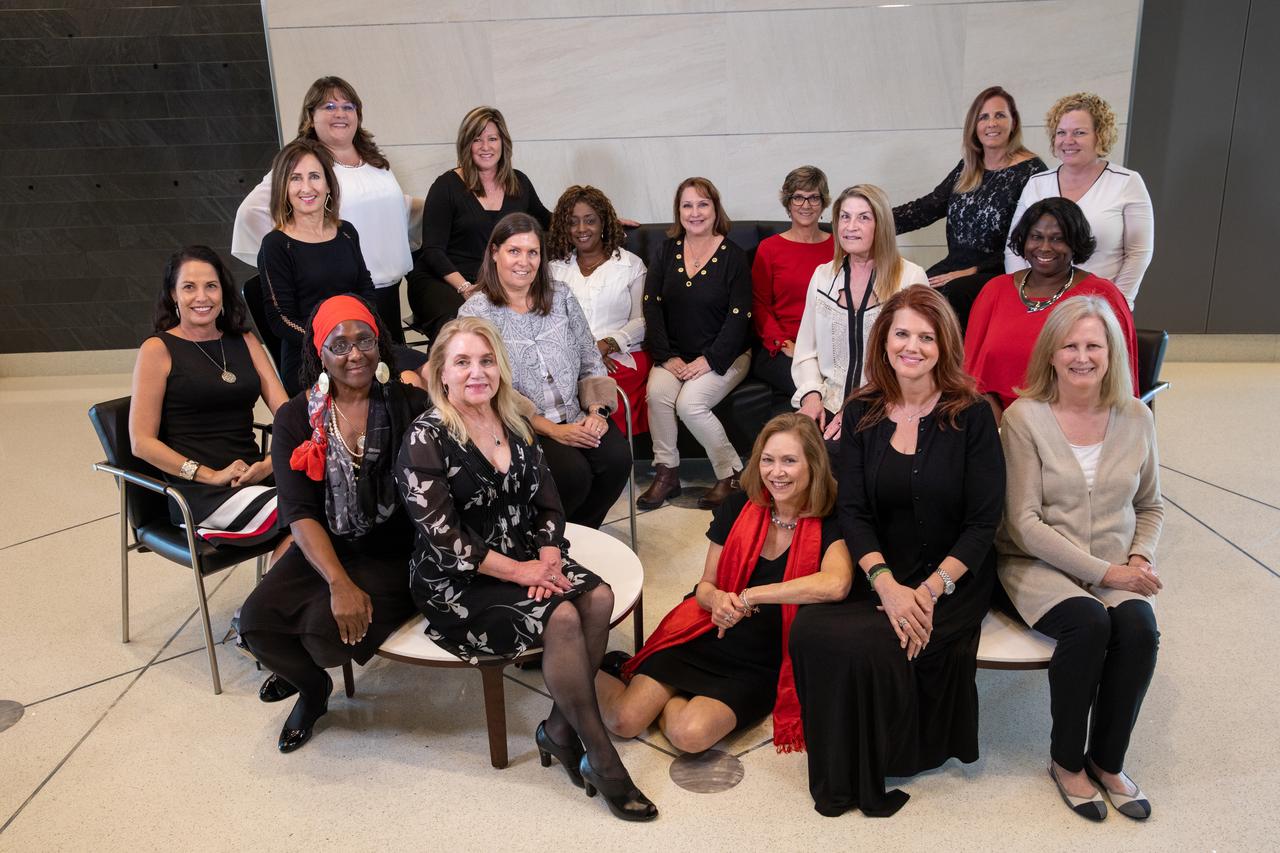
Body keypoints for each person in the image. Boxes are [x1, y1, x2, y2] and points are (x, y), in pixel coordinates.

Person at [397, 316, 657, 822]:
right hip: (458, 580)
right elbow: (446, 539)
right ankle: (602, 759)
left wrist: (547, 554)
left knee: (597, 597)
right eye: (463, 362)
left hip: (524, 554)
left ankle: (558, 731)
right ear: (441, 374)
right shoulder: (425, 438)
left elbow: (549, 504)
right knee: (560, 616)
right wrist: (522, 574)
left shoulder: (513, 421)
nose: (478, 373)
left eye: (487, 360)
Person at [790, 284, 1005, 817]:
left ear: (944, 344)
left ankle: (889, 755)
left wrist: (929, 592)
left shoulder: (972, 414)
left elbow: (983, 524)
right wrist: (885, 584)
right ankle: (845, 761)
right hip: (882, 568)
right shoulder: (862, 410)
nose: (912, 346)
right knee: (811, 629)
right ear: (884, 340)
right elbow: (854, 513)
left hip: (954, 578)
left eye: (926, 337)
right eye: (902, 333)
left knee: (872, 644)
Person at [237, 295, 429, 753]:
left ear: (380, 343)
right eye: (338, 345)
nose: (355, 354)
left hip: (396, 550)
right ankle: (313, 690)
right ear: (318, 353)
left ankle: (310, 675)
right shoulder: (294, 418)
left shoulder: (411, 403)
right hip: (327, 546)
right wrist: (339, 582)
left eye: (364, 340)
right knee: (256, 624)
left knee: (325, 637)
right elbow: (299, 511)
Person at [998, 295, 1162, 822]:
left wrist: (1139, 556)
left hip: (1114, 560)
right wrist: (1107, 573)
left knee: (1139, 628)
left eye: (1094, 344)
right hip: (1036, 566)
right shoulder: (1024, 418)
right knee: (1089, 625)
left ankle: (1107, 761)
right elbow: (1023, 523)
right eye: (1070, 345)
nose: (1082, 356)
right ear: (1051, 354)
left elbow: (1150, 504)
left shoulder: (1136, 416)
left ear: (1113, 353)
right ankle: (1066, 762)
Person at [597, 414, 851, 754]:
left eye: (789, 461)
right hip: (705, 632)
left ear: (813, 465)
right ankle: (573, 665)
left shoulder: (831, 518)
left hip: (760, 660)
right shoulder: (739, 505)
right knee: (623, 721)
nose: (776, 472)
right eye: (768, 460)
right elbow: (705, 586)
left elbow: (836, 584)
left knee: (689, 735)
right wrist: (717, 599)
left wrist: (749, 597)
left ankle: (665, 695)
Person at [459, 213, 630, 530]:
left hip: (576, 412)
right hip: (519, 426)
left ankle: (580, 533)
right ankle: (551, 538)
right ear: (495, 252)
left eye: (532, 252)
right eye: (514, 251)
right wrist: (553, 431)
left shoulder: (561, 295)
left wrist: (596, 411)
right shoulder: (476, 312)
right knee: (571, 474)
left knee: (617, 459)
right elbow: (485, 387)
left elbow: (589, 355)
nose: (524, 261)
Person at [232, 76, 416, 341]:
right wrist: (296, 252)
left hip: (386, 293)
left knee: (391, 374)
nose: (339, 113)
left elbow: (394, 206)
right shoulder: (306, 163)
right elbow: (251, 212)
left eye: (348, 106)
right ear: (311, 116)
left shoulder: (374, 161)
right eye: (329, 107)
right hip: (340, 300)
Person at [129, 246, 289, 552]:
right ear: (173, 295)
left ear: (223, 293)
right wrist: (211, 476)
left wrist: (269, 464)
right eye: (189, 287)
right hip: (199, 493)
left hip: (254, 477)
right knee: (305, 514)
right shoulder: (157, 349)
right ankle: (272, 600)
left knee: (336, 501)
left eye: (211, 286)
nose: (202, 297)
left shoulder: (244, 341)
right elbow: (141, 442)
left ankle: (274, 598)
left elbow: (287, 413)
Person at [966, 196, 1137, 421]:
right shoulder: (995, 290)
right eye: (1036, 237)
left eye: (1058, 239)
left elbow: (1119, 379)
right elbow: (971, 372)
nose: (1045, 248)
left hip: (1075, 421)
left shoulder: (1102, 296)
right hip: (997, 421)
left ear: (1074, 243)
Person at [638, 177, 753, 510]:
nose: (695, 212)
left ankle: (730, 474)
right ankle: (667, 474)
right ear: (678, 211)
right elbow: (651, 305)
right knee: (658, 394)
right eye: (687, 205)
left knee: (690, 404)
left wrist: (710, 359)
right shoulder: (666, 251)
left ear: (715, 209)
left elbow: (739, 316)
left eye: (703, 204)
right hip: (675, 354)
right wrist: (666, 356)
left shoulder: (734, 256)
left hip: (726, 355)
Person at [893, 85, 1046, 330]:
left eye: (999, 115)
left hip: (1001, 271)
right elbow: (927, 207)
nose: (991, 123)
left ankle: (955, 367)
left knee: (950, 295)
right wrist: (873, 220)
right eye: (983, 117)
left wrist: (974, 270)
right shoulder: (968, 167)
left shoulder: (1032, 172)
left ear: (1013, 122)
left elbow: (1032, 241)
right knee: (909, 295)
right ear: (974, 126)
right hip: (954, 267)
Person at [791, 184, 929, 445]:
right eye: (845, 216)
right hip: (828, 399)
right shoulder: (822, 276)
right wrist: (811, 396)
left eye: (863, 218)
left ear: (881, 225)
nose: (850, 226)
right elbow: (806, 352)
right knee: (798, 453)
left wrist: (858, 408)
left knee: (843, 454)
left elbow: (915, 359)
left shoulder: (911, 277)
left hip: (887, 400)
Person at [410, 106, 552, 343]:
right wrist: (465, 287)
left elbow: (549, 221)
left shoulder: (519, 183)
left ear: (503, 142)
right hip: (444, 281)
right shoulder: (446, 186)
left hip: (492, 282)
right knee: (461, 328)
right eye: (477, 139)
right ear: (466, 145)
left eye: (492, 139)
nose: (486, 147)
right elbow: (433, 251)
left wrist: (603, 220)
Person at [1005, 92, 1154, 308]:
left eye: (1079, 132)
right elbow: (1014, 247)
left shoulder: (1127, 182)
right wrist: (1023, 296)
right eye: (1061, 132)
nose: (1068, 141)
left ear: (1100, 136)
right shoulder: (1037, 183)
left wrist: (1116, 302)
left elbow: (1138, 253)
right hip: (1039, 302)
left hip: (1099, 304)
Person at [256, 138, 377, 396]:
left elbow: (366, 290)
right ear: (283, 187)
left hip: (359, 346)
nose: (307, 187)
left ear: (328, 185)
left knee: (419, 373)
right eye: (295, 178)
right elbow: (281, 320)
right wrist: (333, 342)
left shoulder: (346, 232)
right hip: (308, 355)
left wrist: (357, 339)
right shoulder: (275, 244)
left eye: (314, 176)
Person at [547, 185, 651, 435]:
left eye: (590, 221)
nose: (582, 229)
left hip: (621, 356)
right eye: (573, 222)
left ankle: (612, 459)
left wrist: (606, 344)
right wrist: (586, 354)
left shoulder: (630, 265)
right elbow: (550, 323)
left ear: (604, 222)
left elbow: (642, 321)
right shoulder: (554, 270)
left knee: (605, 384)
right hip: (570, 357)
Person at [751, 166, 834, 399]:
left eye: (813, 198)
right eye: (798, 197)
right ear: (788, 202)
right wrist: (783, 343)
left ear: (823, 202)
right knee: (816, 393)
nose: (806, 205)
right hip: (784, 348)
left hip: (829, 347)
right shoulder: (769, 249)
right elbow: (759, 305)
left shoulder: (840, 248)